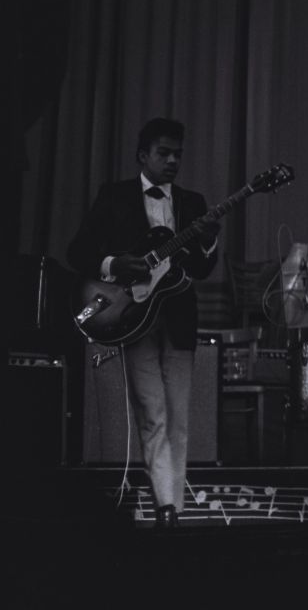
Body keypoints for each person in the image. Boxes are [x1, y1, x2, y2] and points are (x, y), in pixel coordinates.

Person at [67, 118, 219, 527]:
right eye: (164, 153)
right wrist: (115, 263)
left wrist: (208, 237)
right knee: (152, 412)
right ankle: (168, 506)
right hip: (132, 318)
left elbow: (204, 268)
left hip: (179, 318)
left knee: (179, 416)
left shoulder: (194, 202)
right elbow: (77, 251)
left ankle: (172, 507)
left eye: (178, 155)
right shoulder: (114, 196)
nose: (172, 161)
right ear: (143, 156)